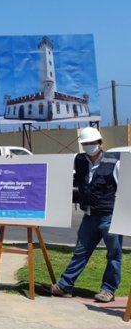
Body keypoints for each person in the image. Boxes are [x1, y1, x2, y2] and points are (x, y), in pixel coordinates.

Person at [51, 127, 123, 303]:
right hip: (89, 216)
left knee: (114, 255)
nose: (89, 146)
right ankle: (65, 285)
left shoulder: (115, 162)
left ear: (100, 144)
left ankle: (108, 290)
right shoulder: (80, 161)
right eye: (85, 144)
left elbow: (124, 189)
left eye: (92, 143)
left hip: (110, 216)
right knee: (80, 252)